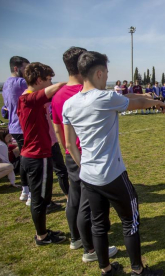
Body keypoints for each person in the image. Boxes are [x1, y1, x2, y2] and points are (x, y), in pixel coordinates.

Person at [62, 51, 165, 275]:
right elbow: (135, 103)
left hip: (88, 176)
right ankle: (138, 271)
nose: (107, 77)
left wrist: (85, 168)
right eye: (106, 72)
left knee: (98, 225)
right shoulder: (104, 98)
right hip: (113, 175)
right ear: (99, 73)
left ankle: (106, 270)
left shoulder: (68, 105)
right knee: (130, 222)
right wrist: (155, 101)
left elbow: (69, 145)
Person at [51, 47, 117, 262]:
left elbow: (57, 126)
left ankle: (76, 239)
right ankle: (91, 249)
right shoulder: (86, 92)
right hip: (88, 155)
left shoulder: (59, 95)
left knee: (75, 199)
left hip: (72, 153)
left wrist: (67, 150)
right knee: (89, 204)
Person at [17, 62, 66, 246]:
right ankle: (42, 237)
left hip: (36, 155)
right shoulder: (27, 99)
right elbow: (57, 88)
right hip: (37, 156)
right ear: (39, 80)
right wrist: (68, 82)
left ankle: (42, 233)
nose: (50, 82)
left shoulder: (33, 99)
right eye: (48, 79)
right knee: (40, 200)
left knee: (42, 198)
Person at [2, 56, 30, 201]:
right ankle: (29, 191)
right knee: (30, 159)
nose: (27, 71)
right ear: (16, 68)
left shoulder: (6, 83)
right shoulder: (21, 82)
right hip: (23, 125)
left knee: (24, 157)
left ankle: (25, 190)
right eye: (25, 68)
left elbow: (4, 109)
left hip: (14, 126)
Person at [0, 129, 18, 193]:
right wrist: (13, 182)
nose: (10, 138)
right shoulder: (1, 145)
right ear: (2, 136)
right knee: (9, 166)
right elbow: (7, 164)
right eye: (8, 136)